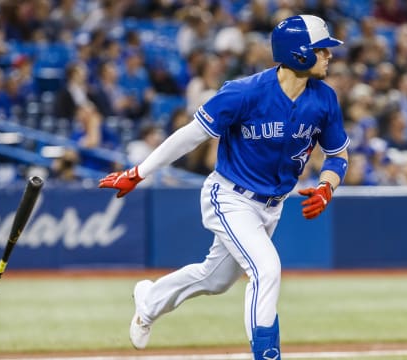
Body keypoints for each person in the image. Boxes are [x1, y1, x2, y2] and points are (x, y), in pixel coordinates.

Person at [99, 15, 349, 360]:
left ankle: (149, 301)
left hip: (271, 205)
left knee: (214, 280)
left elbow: (337, 156)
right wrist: (139, 172)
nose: (329, 56)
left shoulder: (324, 99)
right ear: (300, 54)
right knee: (266, 269)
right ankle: (267, 354)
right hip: (230, 196)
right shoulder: (244, 92)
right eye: (323, 49)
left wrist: (326, 187)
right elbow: (190, 135)